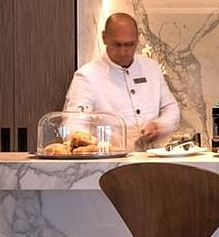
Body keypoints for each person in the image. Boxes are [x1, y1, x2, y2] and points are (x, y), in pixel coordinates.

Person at [64, 12, 179, 148]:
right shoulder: (87, 76)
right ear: (104, 37)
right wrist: (93, 145)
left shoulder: (152, 68)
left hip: (153, 160)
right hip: (110, 164)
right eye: (117, 45)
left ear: (138, 39)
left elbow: (170, 107)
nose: (123, 52)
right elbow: (74, 123)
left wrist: (159, 125)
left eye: (130, 45)